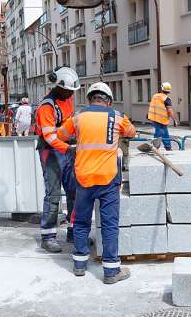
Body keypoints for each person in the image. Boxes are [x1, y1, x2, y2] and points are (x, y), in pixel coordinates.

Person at [58, 82, 137, 284]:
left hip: (83, 178)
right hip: (108, 179)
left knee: (81, 221)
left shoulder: (78, 117)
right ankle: (111, 271)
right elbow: (132, 132)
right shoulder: (116, 117)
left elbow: (61, 135)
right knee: (109, 224)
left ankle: (79, 264)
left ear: (90, 99)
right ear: (108, 100)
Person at [33, 67, 79, 252]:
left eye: (72, 91)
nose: (70, 94)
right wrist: (69, 149)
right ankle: (48, 236)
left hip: (65, 150)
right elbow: (50, 137)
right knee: (53, 194)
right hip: (50, 151)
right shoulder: (47, 107)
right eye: (67, 90)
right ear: (58, 86)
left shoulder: (67, 99)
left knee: (74, 191)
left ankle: (74, 231)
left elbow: (70, 123)